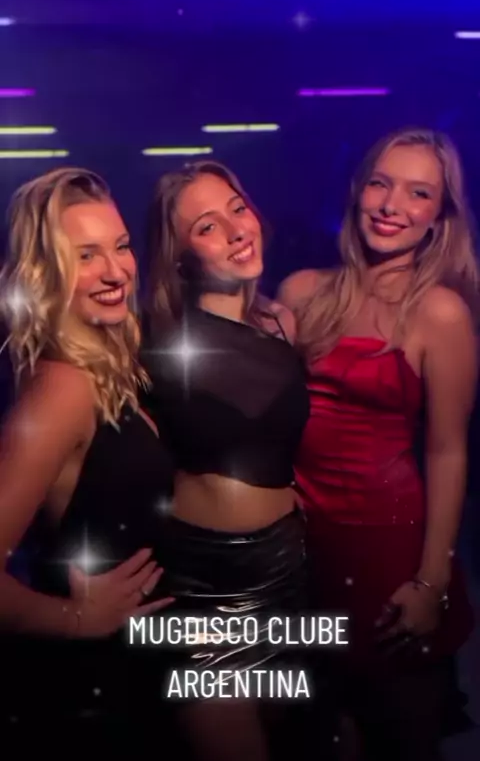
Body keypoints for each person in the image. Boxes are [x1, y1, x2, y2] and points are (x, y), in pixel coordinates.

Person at [278, 128, 478, 761]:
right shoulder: (301, 293)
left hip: (389, 553)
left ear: (438, 218)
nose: (392, 205)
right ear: (357, 190)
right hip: (301, 550)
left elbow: (448, 451)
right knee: (316, 736)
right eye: (380, 184)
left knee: (402, 734)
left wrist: (432, 580)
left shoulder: (440, 314)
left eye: (419, 193)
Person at [142, 160, 311, 761]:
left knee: (298, 741)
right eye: (207, 227)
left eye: (238, 209)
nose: (238, 230)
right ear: (180, 258)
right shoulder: (152, 343)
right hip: (204, 582)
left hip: (287, 566)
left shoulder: (281, 323)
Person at [0, 168, 174, 745]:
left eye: (120, 247)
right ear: (46, 274)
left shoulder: (107, 363)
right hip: (96, 686)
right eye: (86, 256)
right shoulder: (63, 387)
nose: (116, 270)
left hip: (140, 666)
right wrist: (77, 620)